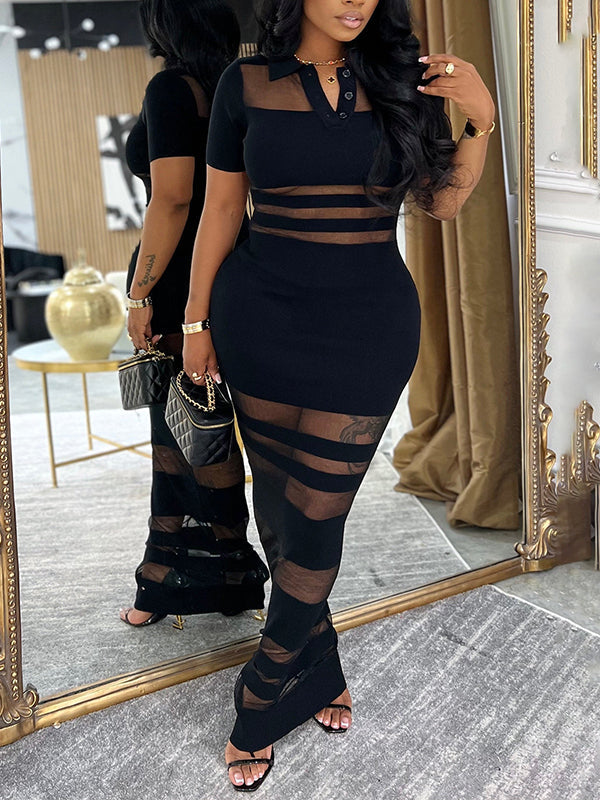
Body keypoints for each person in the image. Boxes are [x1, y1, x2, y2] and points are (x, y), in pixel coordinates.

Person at [183, 0, 496, 789]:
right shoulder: (244, 83)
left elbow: (442, 202)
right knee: (279, 505)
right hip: (258, 318)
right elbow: (220, 209)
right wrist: (195, 321)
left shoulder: (404, 80)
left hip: (367, 328)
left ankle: (262, 689)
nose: (355, 1)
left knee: (319, 515)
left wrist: (481, 121)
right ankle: (318, 663)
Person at [120, 0, 268, 628]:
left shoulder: (170, 89)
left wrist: (139, 293)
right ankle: (226, 575)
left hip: (180, 281)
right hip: (232, 270)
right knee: (205, 423)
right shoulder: (238, 86)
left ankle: (172, 578)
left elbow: (173, 199)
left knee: (177, 432)